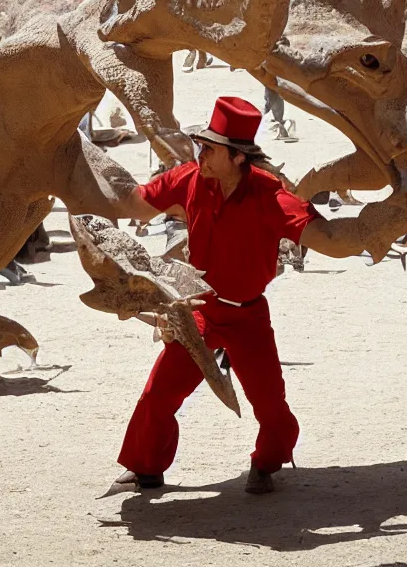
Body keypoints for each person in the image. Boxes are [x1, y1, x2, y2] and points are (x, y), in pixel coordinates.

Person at [110, 96, 364, 494]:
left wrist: (375, 229)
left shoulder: (270, 195)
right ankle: (146, 468)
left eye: (210, 148)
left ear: (239, 157)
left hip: (248, 317)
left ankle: (266, 463)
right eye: (201, 145)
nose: (201, 154)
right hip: (199, 309)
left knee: (271, 409)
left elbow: (328, 239)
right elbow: (136, 205)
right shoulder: (189, 178)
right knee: (158, 391)